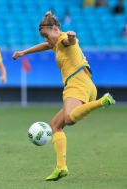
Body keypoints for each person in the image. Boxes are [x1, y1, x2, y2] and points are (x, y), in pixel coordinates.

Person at [12, 11, 115, 181]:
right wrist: (24, 52)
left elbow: (69, 41)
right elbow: (46, 46)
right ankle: (61, 167)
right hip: (85, 84)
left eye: (47, 35)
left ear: (55, 29)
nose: (46, 39)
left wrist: (72, 37)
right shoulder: (55, 43)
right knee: (55, 126)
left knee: (68, 119)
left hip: (77, 83)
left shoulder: (63, 38)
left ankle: (101, 102)